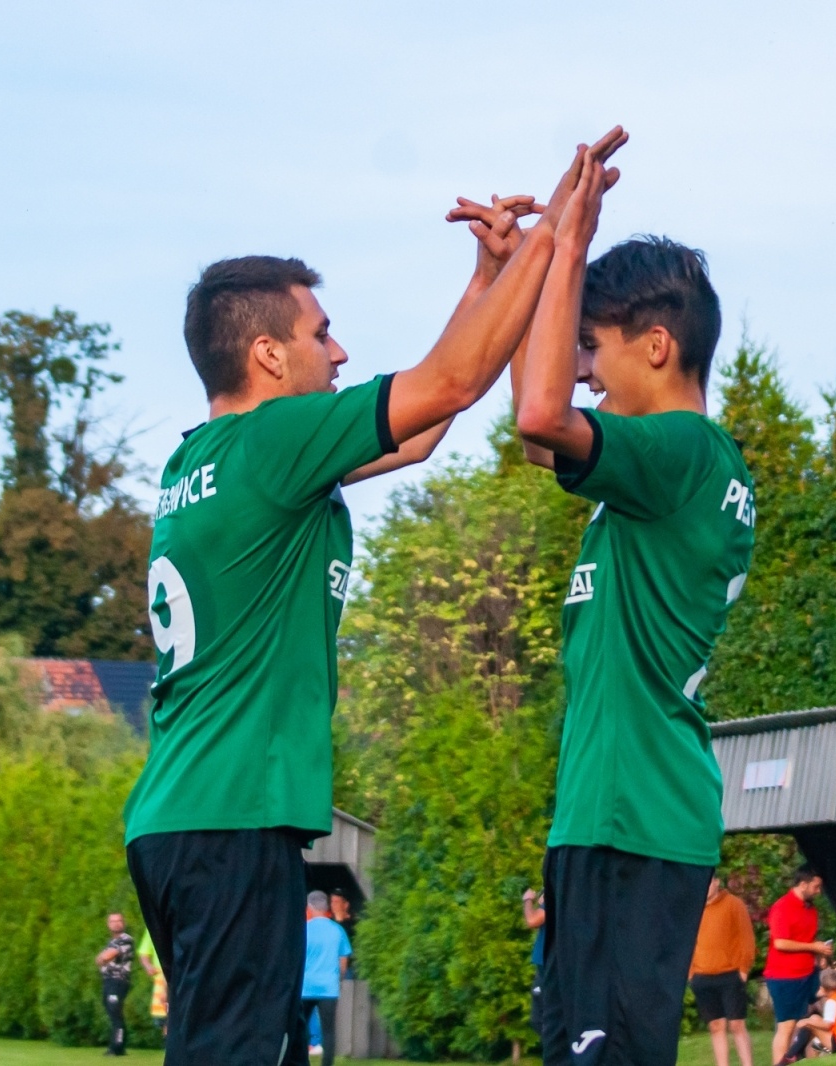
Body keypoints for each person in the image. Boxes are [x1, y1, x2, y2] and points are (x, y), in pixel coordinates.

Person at [122, 129, 626, 1066]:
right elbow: (452, 381)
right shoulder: (276, 443)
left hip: (187, 814)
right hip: (230, 816)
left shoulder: (205, 459)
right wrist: (558, 235)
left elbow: (427, 426)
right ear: (269, 356)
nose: (341, 349)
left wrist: (487, 278)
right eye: (322, 333)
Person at [508, 135, 755, 1065]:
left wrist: (567, 244)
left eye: (595, 350)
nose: (581, 371)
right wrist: (522, 270)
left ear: (657, 345)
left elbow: (537, 416)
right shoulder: (658, 472)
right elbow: (541, 434)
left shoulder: (683, 453)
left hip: (632, 818)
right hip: (605, 814)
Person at [762, 868, 835, 1064]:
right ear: (803, 884)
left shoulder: (811, 910)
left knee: (830, 992)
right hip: (784, 976)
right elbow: (781, 943)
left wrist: (819, 952)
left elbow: (805, 940)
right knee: (786, 1026)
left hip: (808, 973)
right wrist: (813, 946)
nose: (819, 891)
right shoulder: (782, 907)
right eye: (815, 886)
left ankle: (821, 1049)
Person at [689, 876, 757, 1066]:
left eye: (709, 881)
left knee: (737, 1024)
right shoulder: (693, 908)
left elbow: (746, 938)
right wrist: (691, 973)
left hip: (730, 974)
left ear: (717, 882)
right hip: (702, 976)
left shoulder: (734, 904)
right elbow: (685, 942)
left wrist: (743, 969)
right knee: (716, 1026)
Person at [285, 891, 352, 1066]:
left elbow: (294, 959)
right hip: (328, 988)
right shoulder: (338, 930)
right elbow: (343, 963)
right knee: (328, 1031)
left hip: (305, 987)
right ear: (327, 908)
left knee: (300, 1028)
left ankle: (298, 1060)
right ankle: (326, 1064)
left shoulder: (303, 929)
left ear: (309, 907)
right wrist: (339, 979)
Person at [776, 968, 836, 1063]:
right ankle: (796, 1053)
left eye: (820, 986)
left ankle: (790, 1056)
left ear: (824, 988)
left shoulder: (831, 1002)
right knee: (815, 1018)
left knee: (810, 1024)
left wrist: (806, 1021)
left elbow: (827, 1025)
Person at [95, 913, 134, 1057]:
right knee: (112, 1012)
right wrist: (101, 958)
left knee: (115, 1011)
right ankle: (116, 1045)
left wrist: (102, 957)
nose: (116, 923)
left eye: (119, 921)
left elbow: (106, 956)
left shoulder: (126, 940)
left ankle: (117, 1047)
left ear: (123, 923)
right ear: (108, 924)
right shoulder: (112, 942)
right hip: (108, 981)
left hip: (118, 981)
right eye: (112, 921)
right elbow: (99, 959)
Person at [523, 888, 548, 1039]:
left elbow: (532, 920)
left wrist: (527, 900)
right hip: (544, 965)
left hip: (549, 967)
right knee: (539, 1020)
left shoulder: (556, 898)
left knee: (540, 1019)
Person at [137, 930, 169, 1039]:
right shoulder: (155, 926)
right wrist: (148, 966)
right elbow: (144, 952)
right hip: (161, 977)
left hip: (180, 975)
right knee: (164, 1019)